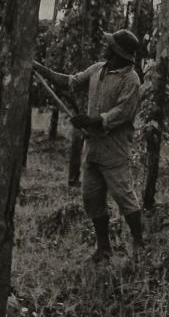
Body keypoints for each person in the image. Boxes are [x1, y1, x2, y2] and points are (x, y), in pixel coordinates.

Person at [36, 28, 144, 261]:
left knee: (124, 196)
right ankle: (103, 248)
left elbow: (122, 113)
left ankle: (139, 245)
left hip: (114, 149)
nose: (106, 47)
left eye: (111, 44)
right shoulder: (98, 69)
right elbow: (70, 81)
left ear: (117, 51)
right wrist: (40, 69)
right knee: (92, 198)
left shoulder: (131, 80)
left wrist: (91, 120)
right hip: (93, 147)